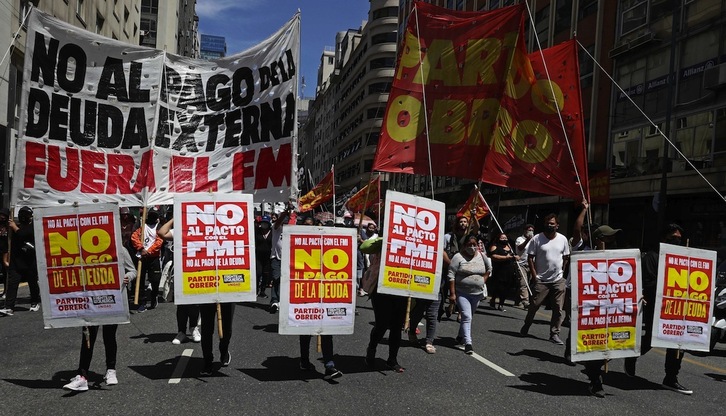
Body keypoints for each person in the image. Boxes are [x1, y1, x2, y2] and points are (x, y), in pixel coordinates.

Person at [623, 223, 693, 395]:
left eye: (679, 239)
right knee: (653, 340)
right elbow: (648, 283)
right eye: (673, 238)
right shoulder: (652, 258)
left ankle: (671, 378)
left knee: (677, 343)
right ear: (664, 238)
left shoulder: (684, 261)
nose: (677, 241)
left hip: (677, 309)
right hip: (657, 306)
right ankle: (633, 355)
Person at [63, 248, 137, 391]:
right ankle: (82, 375)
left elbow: (133, 270)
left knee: (109, 336)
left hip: (111, 299)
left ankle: (111, 370)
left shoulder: (120, 249)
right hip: (89, 301)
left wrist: (128, 277)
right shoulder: (82, 249)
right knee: (87, 338)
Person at [297, 218, 342, 380]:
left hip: (325, 293)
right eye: (309, 226)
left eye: (316, 226)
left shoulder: (329, 244)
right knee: (306, 330)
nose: (314, 229)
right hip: (306, 292)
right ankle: (304, 360)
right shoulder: (297, 243)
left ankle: (329, 365)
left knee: (327, 330)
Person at [520, 213, 570, 345]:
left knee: (558, 308)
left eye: (552, 223)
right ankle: (527, 325)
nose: (550, 225)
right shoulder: (537, 239)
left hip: (558, 280)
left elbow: (566, 257)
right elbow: (530, 257)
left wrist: (562, 273)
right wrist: (534, 275)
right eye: (547, 223)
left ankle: (554, 333)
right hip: (541, 280)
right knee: (534, 305)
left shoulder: (563, 239)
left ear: (557, 226)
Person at [362, 237, 407, 373]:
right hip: (381, 288)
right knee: (382, 324)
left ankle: (392, 360)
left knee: (397, 327)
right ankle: (372, 348)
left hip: (402, 289)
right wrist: (385, 237)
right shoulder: (385, 241)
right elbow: (364, 248)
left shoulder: (411, 243)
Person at [157, 218, 200, 344]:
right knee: (182, 304)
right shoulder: (180, 231)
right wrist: (175, 217)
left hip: (198, 271)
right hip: (181, 272)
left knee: (195, 303)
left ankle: (193, 328)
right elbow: (162, 233)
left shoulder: (202, 231)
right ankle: (181, 332)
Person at [448, 234, 491, 354]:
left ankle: (460, 336)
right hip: (462, 292)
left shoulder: (482, 256)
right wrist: (452, 294)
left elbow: (489, 269)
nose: (472, 247)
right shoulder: (458, 257)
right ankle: (468, 343)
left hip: (477, 293)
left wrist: (483, 280)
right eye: (469, 245)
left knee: (469, 315)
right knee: (467, 316)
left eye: (474, 245)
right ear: (465, 245)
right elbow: (451, 275)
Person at [1, 207, 41, 316]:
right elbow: (6, 242)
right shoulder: (13, 227)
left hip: (29, 261)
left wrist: (14, 228)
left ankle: (34, 302)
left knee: (32, 283)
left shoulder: (33, 227)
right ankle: (9, 307)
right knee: (12, 284)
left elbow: (24, 234)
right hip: (15, 261)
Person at [439, 214, 478, 320]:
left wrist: (474, 217)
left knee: (461, 291)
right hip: (448, 267)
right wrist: (451, 263)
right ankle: (443, 306)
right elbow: (441, 251)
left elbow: (476, 229)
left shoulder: (468, 238)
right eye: (461, 222)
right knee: (444, 289)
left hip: (463, 268)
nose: (463, 224)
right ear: (457, 224)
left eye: (465, 222)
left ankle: (459, 311)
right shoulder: (448, 237)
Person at [130, 208, 163, 312]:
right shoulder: (141, 226)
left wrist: (149, 251)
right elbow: (134, 237)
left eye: (154, 216)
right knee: (140, 280)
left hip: (153, 257)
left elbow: (159, 241)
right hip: (142, 257)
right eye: (151, 215)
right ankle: (142, 302)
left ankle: (154, 297)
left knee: (155, 280)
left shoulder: (159, 227)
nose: (152, 217)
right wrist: (141, 249)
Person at [488, 231, 518, 311]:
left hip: (509, 270)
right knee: (498, 287)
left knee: (506, 288)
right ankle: (493, 299)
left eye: (505, 238)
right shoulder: (495, 246)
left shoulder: (510, 247)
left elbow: (514, 255)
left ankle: (501, 303)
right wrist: (505, 257)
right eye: (502, 238)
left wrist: (516, 257)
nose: (504, 239)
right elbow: (493, 256)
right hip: (499, 270)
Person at [269, 206, 292, 313]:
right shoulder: (276, 227)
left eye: (287, 219)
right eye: (284, 219)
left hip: (288, 260)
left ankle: (283, 300)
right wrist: (286, 212)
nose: (285, 220)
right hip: (276, 258)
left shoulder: (291, 230)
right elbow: (278, 222)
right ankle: (274, 301)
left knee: (286, 281)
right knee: (276, 278)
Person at [514, 224, 535, 309]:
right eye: (529, 230)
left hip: (531, 264)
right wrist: (527, 240)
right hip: (521, 264)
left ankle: (518, 300)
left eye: (532, 230)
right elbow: (520, 248)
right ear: (525, 230)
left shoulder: (534, 240)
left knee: (528, 283)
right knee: (523, 283)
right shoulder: (520, 239)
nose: (530, 232)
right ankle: (526, 302)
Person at [357, 222, 378, 296]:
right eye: (370, 228)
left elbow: (369, 244)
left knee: (370, 273)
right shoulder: (362, 233)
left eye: (373, 228)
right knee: (363, 271)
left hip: (371, 257)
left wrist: (361, 240)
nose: (371, 229)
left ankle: (368, 288)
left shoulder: (376, 236)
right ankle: (361, 288)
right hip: (362, 256)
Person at [255, 215, 273, 298]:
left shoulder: (272, 232)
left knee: (266, 274)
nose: (264, 225)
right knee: (258, 273)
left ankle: (262, 291)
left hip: (268, 256)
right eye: (262, 223)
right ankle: (255, 290)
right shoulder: (257, 231)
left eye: (266, 223)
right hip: (258, 256)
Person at [0, 208, 9, 299]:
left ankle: (6, 291)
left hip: (6, 252)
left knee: (6, 272)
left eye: (4, 216)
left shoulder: (8, 226)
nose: (2, 217)